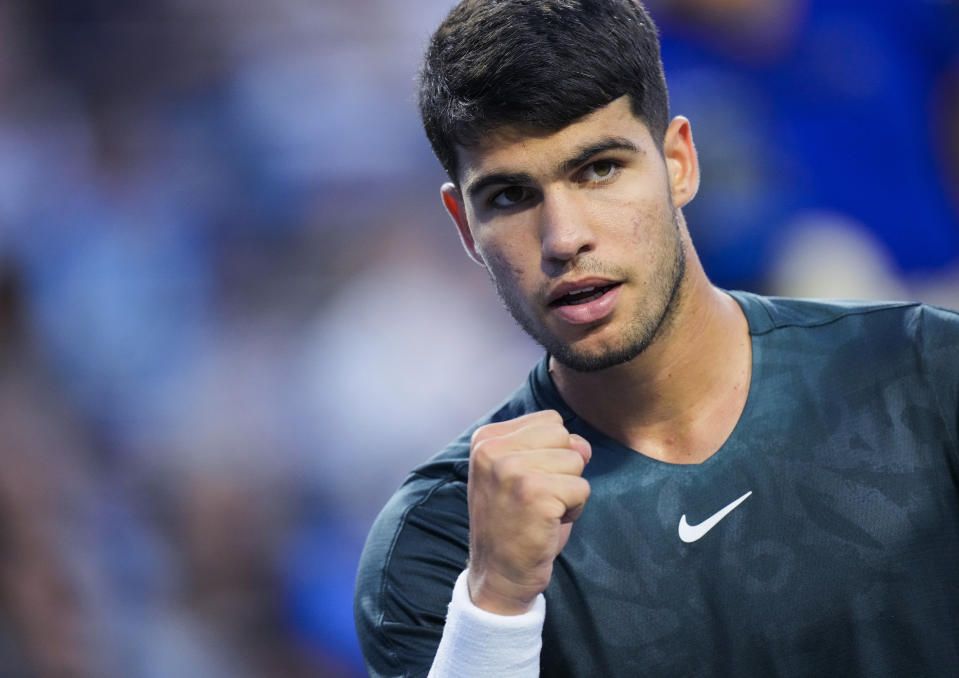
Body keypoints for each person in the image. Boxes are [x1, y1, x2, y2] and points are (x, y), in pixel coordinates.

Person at [353, 0, 959, 676]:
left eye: (600, 169)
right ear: (463, 227)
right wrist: (496, 606)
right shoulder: (443, 541)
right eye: (508, 197)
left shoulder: (928, 375)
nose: (564, 238)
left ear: (678, 162)